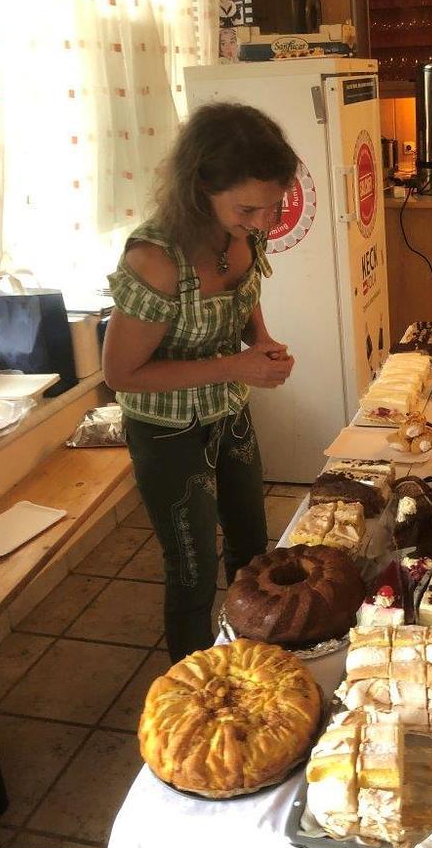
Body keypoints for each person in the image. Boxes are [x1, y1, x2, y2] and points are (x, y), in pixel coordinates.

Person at [103, 103, 298, 663]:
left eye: (273, 206)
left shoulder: (243, 234)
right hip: (166, 433)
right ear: (199, 189)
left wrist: (260, 339)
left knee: (252, 550)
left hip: (228, 414)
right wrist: (235, 366)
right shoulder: (155, 259)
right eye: (248, 208)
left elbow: (245, 295)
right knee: (192, 569)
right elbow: (121, 374)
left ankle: (252, 663)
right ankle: (193, 684)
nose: (262, 221)